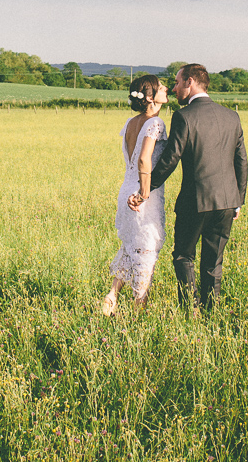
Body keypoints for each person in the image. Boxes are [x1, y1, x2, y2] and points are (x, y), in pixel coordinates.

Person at [129, 63, 247, 312]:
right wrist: (238, 200)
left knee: (184, 256)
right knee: (213, 263)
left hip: (195, 201)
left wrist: (145, 190)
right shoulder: (231, 116)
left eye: (176, 82)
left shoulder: (184, 116)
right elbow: (241, 161)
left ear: (189, 82)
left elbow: (170, 159)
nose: (173, 88)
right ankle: (210, 313)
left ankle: (189, 311)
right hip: (227, 202)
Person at [102, 74, 168, 316]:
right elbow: (143, 159)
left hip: (126, 189)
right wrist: (144, 193)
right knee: (147, 249)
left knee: (131, 246)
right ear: (150, 97)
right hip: (142, 193)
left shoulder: (131, 122)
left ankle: (112, 295)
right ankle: (139, 308)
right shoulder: (156, 124)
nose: (166, 89)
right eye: (161, 87)